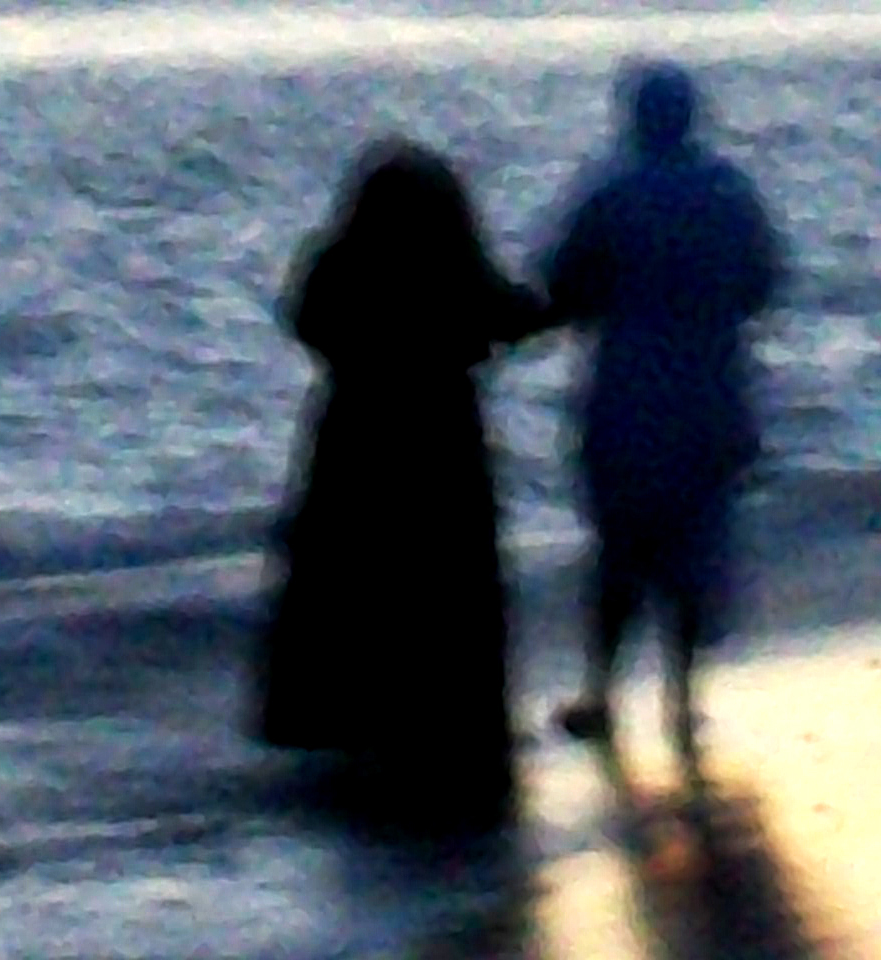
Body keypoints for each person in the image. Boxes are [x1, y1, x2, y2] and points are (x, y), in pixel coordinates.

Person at [252, 136, 549, 827]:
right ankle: (445, 725)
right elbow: (513, 317)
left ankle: (338, 723)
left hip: (352, 435)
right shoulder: (455, 263)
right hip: (440, 438)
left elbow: (304, 322)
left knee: (343, 582)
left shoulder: (334, 261)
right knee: (446, 590)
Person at [537, 59, 785, 750]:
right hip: (711, 390)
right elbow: (764, 283)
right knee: (695, 548)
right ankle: (683, 695)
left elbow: (564, 285)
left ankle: (601, 691)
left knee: (619, 550)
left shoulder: (611, 192)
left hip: (628, 392)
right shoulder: (730, 192)